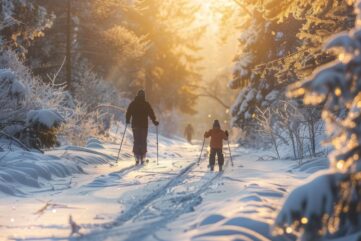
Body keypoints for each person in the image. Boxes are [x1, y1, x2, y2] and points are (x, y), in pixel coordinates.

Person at [126, 90, 159, 165]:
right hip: (144, 126)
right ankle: (142, 156)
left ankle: (136, 156)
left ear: (137, 95)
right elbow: (151, 113)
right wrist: (154, 121)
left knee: (136, 140)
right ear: (144, 96)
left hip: (135, 125)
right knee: (143, 141)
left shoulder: (133, 104)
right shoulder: (146, 104)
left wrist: (127, 120)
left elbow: (128, 112)